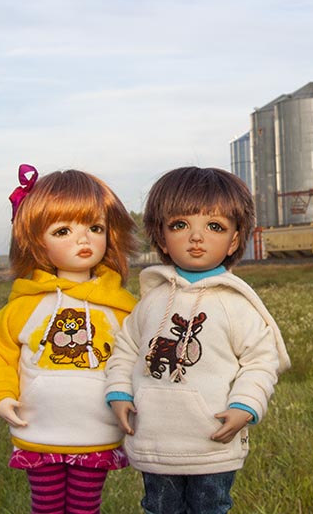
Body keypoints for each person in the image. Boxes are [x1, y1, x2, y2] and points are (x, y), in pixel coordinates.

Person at [105, 166, 290, 514]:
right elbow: (126, 349)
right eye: (180, 225)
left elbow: (261, 361)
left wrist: (245, 406)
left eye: (215, 226)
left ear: (234, 239)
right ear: (160, 236)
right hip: (156, 441)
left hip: (212, 442)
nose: (196, 237)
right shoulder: (151, 301)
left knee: (210, 507)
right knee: (159, 507)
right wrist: (119, 392)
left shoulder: (236, 304)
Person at [0, 164, 139, 514]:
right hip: (38, 427)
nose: (83, 240)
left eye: (95, 228)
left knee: (85, 506)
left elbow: (138, 359)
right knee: (45, 505)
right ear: (34, 240)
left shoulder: (123, 309)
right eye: (63, 230)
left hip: (96, 429)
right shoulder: (25, 306)